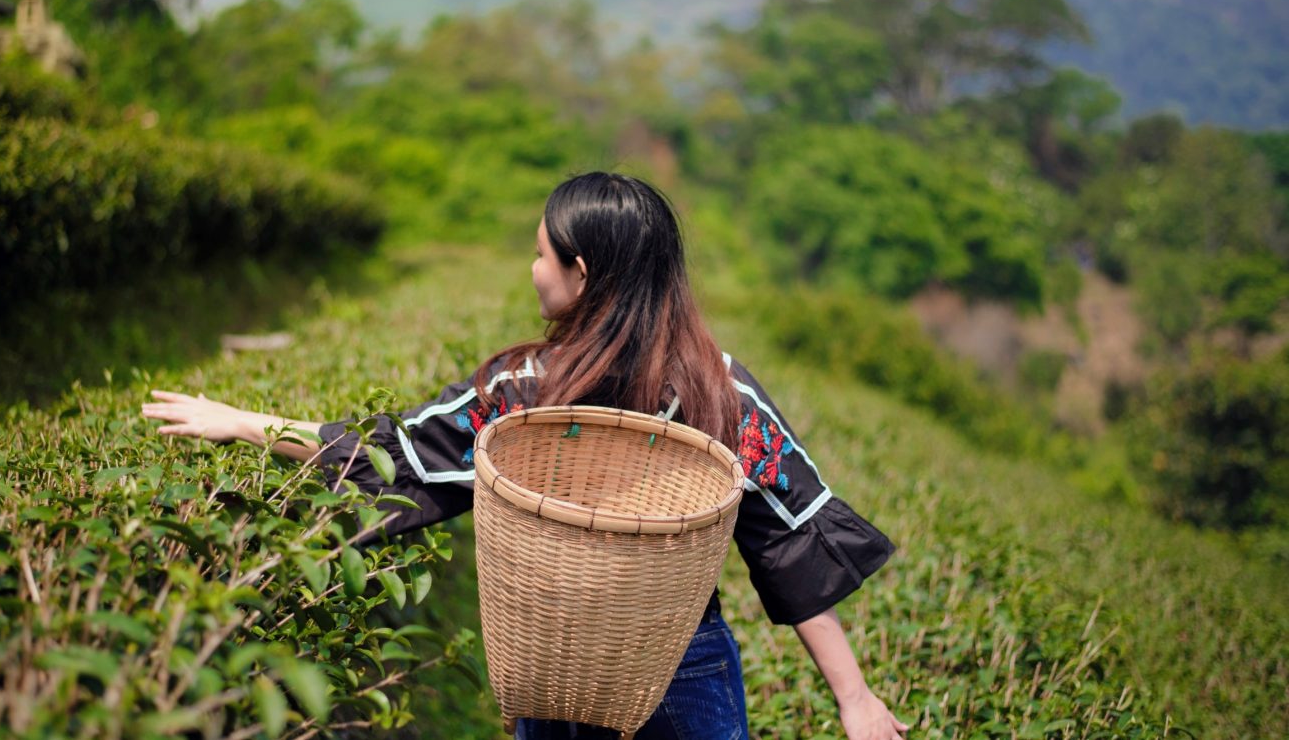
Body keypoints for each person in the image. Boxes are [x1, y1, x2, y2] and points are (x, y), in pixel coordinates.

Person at [142, 172, 909, 740]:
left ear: (583, 276)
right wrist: (854, 698)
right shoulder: (722, 388)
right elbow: (789, 542)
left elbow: (390, 455)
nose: (532, 268)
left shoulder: (526, 389)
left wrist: (243, 423)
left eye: (541, 253)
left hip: (555, 662)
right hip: (682, 665)